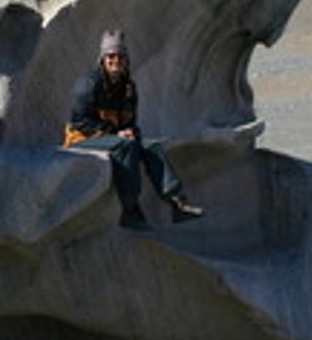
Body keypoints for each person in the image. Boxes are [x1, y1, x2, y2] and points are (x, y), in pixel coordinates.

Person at [63, 30, 205, 230]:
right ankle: (130, 209)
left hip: (112, 138)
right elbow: (80, 122)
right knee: (126, 145)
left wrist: (131, 131)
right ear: (102, 59)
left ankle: (176, 202)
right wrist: (116, 133)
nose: (116, 60)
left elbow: (129, 122)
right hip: (81, 140)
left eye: (120, 56)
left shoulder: (129, 88)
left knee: (151, 146)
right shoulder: (88, 85)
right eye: (111, 56)